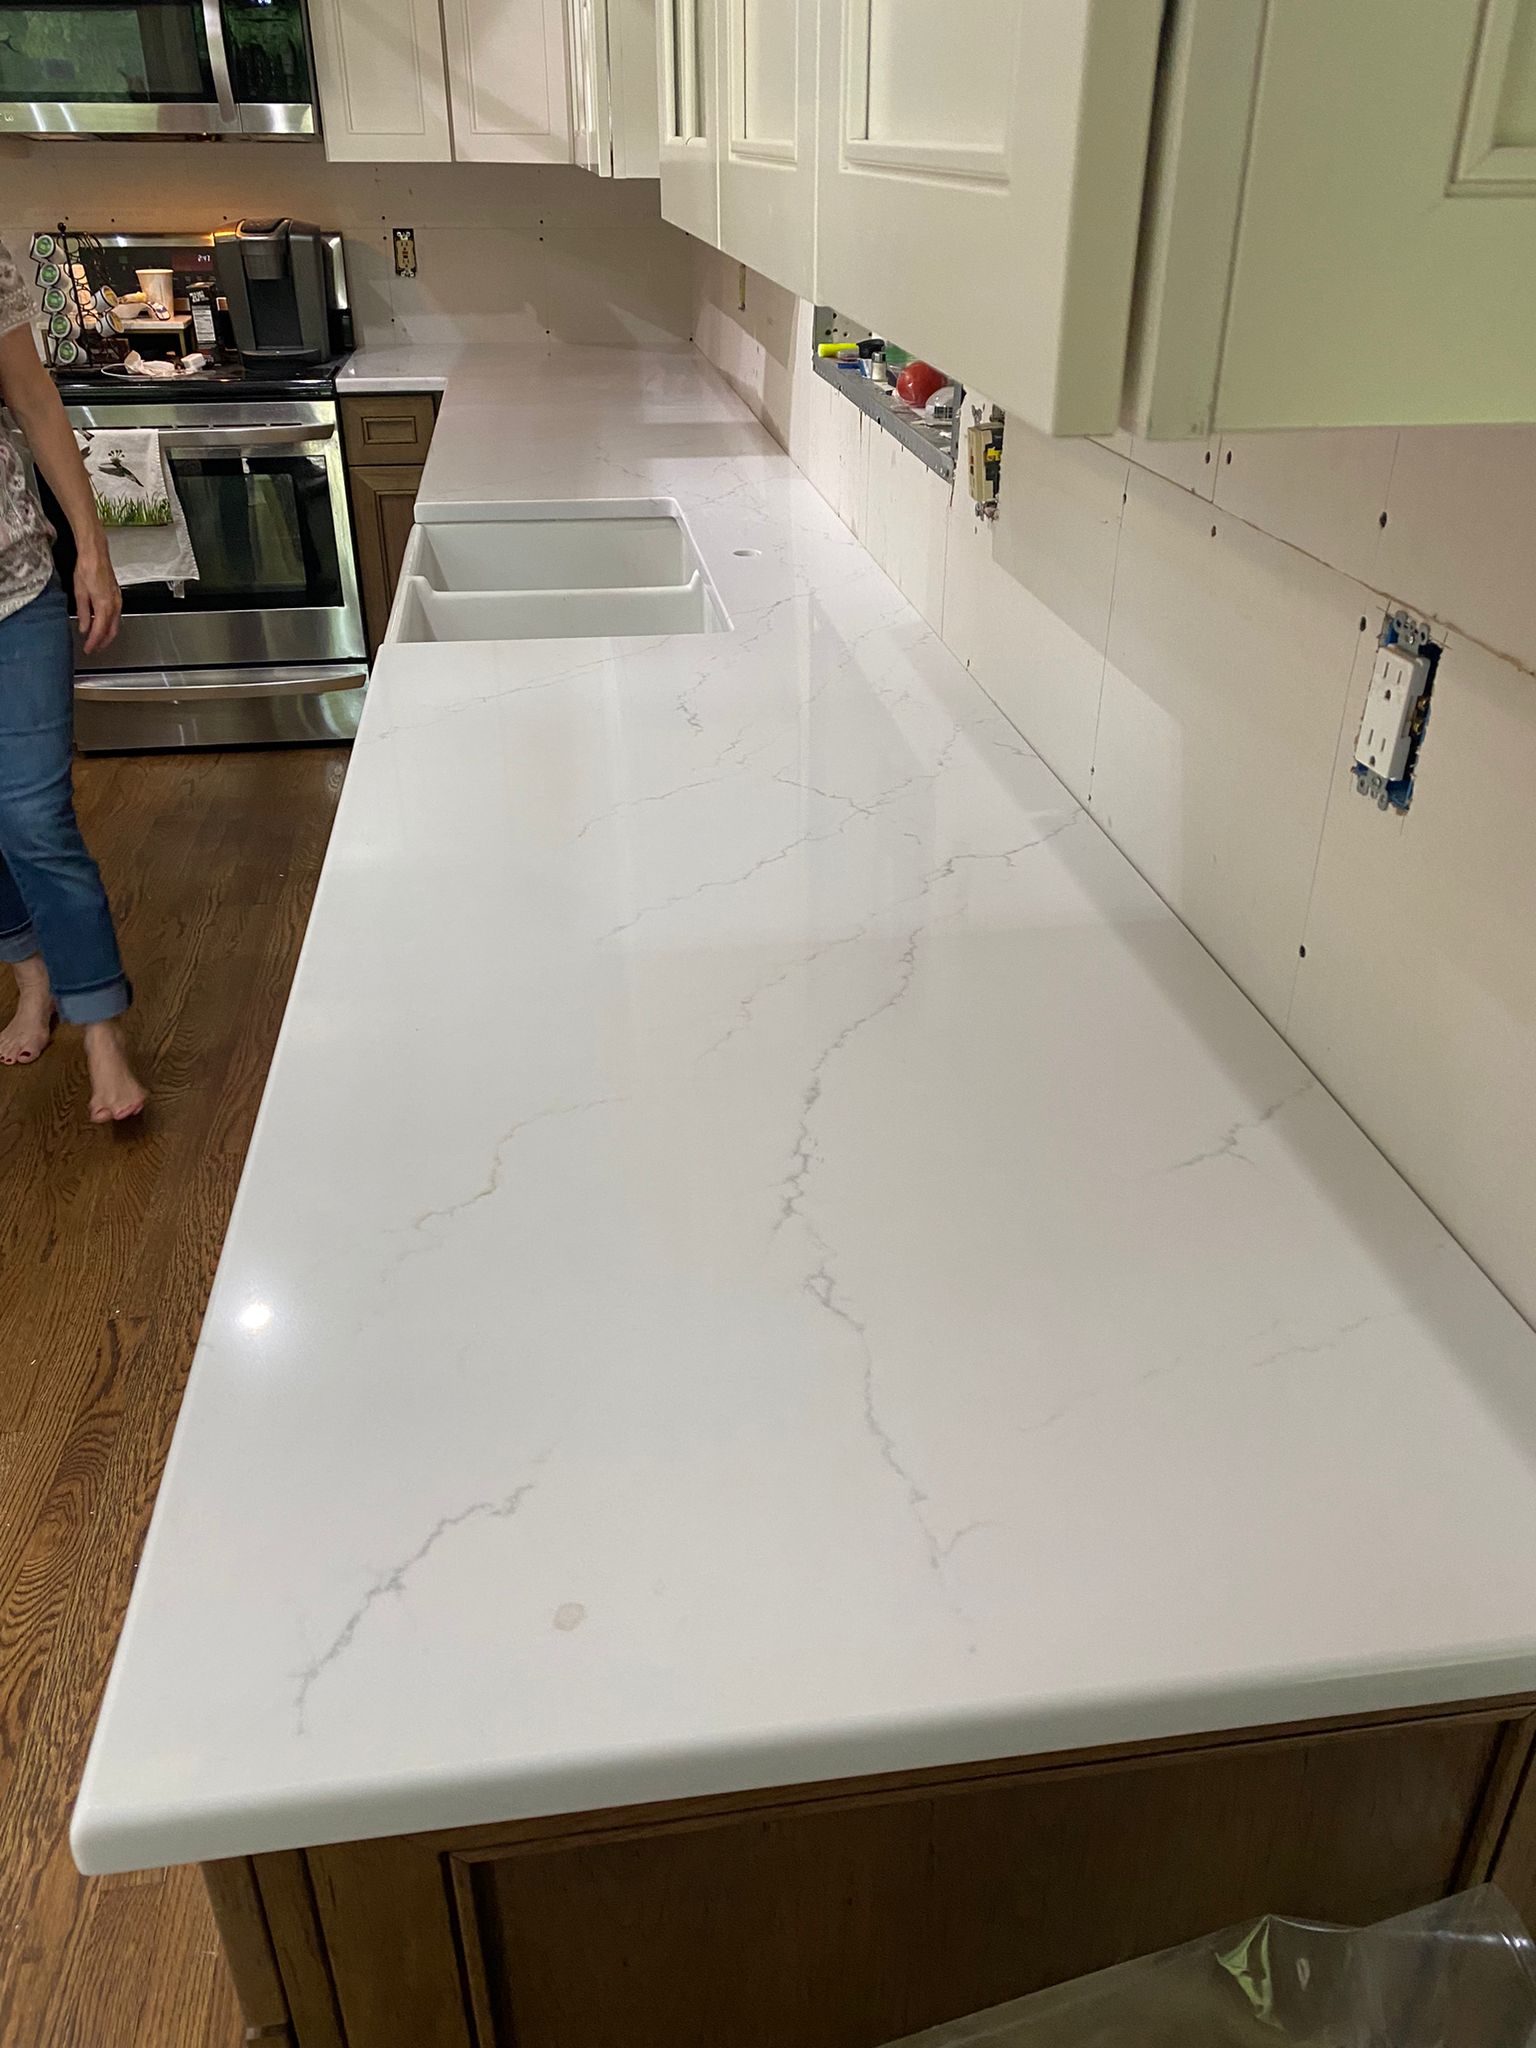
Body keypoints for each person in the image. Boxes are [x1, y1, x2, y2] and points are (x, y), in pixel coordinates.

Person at [0, 237, 145, 1122]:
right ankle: (33, 978)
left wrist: (92, 547)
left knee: (31, 813)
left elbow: (34, 400)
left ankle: (101, 1029)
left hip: (12, 583)